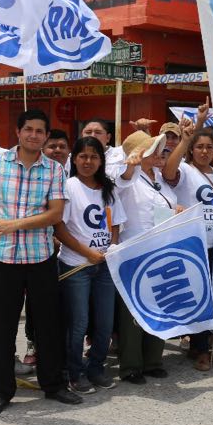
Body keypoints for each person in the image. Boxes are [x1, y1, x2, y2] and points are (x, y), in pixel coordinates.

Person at [0, 108, 81, 417]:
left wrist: (13, 224)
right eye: (29, 130)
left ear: (46, 136)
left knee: (48, 325)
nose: (34, 135)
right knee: (1, 327)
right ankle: (1, 391)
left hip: (40, 258)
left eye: (40, 131)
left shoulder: (54, 169)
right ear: (19, 132)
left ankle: (53, 385)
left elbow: (55, 215)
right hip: (3, 258)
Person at [54, 137, 126, 393]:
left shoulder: (109, 188)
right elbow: (59, 229)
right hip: (75, 266)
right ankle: (74, 372)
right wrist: (88, 253)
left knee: (105, 322)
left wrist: (112, 248)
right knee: (79, 323)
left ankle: (96, 367)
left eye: (94, 157)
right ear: (74, 159)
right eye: (83, 156)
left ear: (101, 160)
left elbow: (116, 224)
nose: (88, 161)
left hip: (105, 265)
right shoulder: (68, 186)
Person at [164, 117, 213, 369]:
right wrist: (184, 139)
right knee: (198, 296)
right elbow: (168, 172)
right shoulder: (186, 172)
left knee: (212, 296)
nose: (205, 151)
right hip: (193, 245)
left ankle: (201, 343)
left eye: (209, 147)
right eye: (199, 146)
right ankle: (201, 348)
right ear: (192, 149)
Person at [114, 130, 176, 383]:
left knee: (159, 304)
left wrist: (175, 210)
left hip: (160, 249)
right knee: (132, 311)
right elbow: (122, 180)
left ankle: (153, 360)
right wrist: (131, 164)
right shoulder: (128, 175)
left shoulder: (159, 176)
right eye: (156, 148)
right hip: (134, 251)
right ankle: (130, 365)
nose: (162, 151)